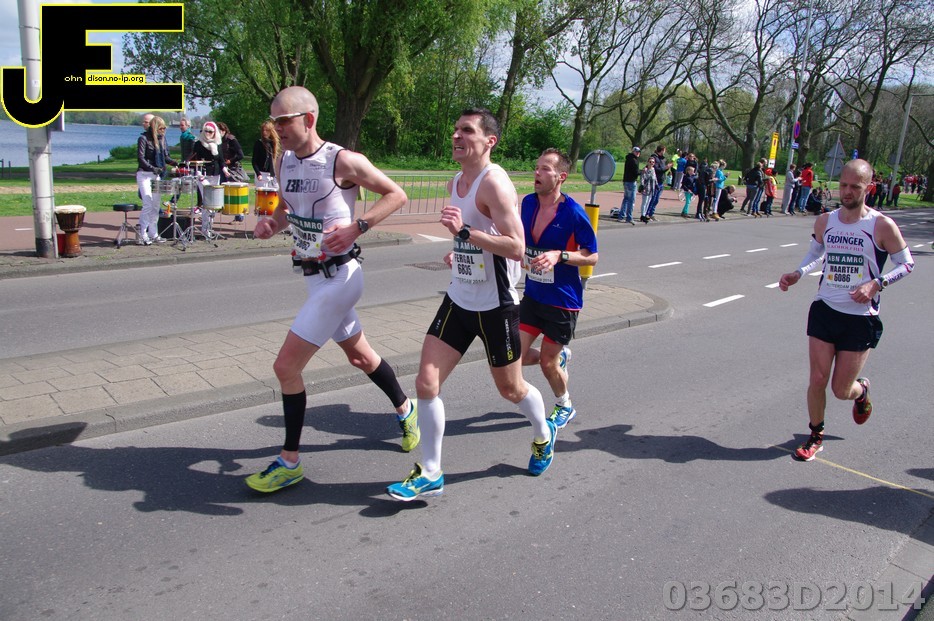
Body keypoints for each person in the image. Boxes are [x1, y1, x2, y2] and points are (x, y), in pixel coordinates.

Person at [245, 86, 419, 493]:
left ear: (309, 119)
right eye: (274, 121)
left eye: (284, 120)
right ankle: (406, 409)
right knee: (361, 357)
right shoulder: (285, 161)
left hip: (342, 278)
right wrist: (272, 223)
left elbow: (397, 194)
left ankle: (289, 462)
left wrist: (359, 227)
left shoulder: (342, 160)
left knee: (285, 368)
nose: (277, 128)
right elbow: (286, 208)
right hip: (313, 277)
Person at [386, 108, 554, 501]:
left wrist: (464, 232)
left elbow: (516, 247)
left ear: (489, 141)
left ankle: (543, 435)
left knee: (511, 389)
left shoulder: (494, 184)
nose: (456, 136)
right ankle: (431, 472)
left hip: (497, 306)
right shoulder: (455, 181)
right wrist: (460, 250)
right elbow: (476, 240)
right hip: (460, 299)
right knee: (426, 382)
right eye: (455, 130)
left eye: (466, 130)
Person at [778, 159, 914, 462]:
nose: (847, 192)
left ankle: (861, 390)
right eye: (843, 185)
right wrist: (798, 273)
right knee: (817, 379)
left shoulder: (881, 225)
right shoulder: (826, 221)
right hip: (825, 309)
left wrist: (877, 284)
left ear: (870, 188)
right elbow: (817, 252)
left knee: (841, 390)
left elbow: (907, 264)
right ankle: (815, 435)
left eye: (855, 186)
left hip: (860, 318)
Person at [518, 149, 598, 430]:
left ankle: (565, 405)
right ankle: (559, 356)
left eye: (545, 169)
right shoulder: (528, 203)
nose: (537, 173)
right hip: (533, 294)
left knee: (547, 365)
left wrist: (559, 255)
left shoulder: (573, 213)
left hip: (562, 301)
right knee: (513, 356)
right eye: (536, 167)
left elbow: (592, 256)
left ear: (561, 176)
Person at [135, 115, 177, 245]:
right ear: (155, 128)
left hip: (156, 175)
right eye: (161, 128)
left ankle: (153, 233)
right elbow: (141, 158)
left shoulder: (162, 139)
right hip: (144, 174)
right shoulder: (143, 138)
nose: (163, 131)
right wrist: (152, 168)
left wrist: (176, 163)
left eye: (164, 128)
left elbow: (166, 157)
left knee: (156, 205)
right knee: (147, 203)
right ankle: (142, 233)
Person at [645, 145, 671, 220]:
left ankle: (651, 213)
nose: (665, 152)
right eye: (664, 150)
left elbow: (662, 170)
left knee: (656, 199)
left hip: (661, 181)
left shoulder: (662, 159)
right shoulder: (654, 158)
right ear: (661, 150)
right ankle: (647, 213)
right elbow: (656, 169)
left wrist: (667, 168)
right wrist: (666, 167)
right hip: (656, 181)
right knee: (653, 198)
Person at [617, 146, 641, 224]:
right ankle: (629, 217)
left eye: (639, 152)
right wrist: (642, 171)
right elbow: (636, 172)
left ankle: (621, 216)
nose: (638, 153)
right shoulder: (634, 160)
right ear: (633, 152)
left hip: (626, 181)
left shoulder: (628, 158)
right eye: (636, 152)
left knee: (626, 199)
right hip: (631, 181)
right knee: (631, 200)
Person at [638, 156, 658, 223]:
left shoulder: (653, 169)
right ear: (647, 162)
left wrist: (656, 184)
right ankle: (642, 215)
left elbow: (655, 178)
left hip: (652, 188)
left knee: (648, 202)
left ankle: (645, 214)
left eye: (653, 162)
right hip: (646, 188)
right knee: (645, 202)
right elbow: (642, 179)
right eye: (650, 162)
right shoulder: (645, 170)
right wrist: (642, 186)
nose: (652, 163)